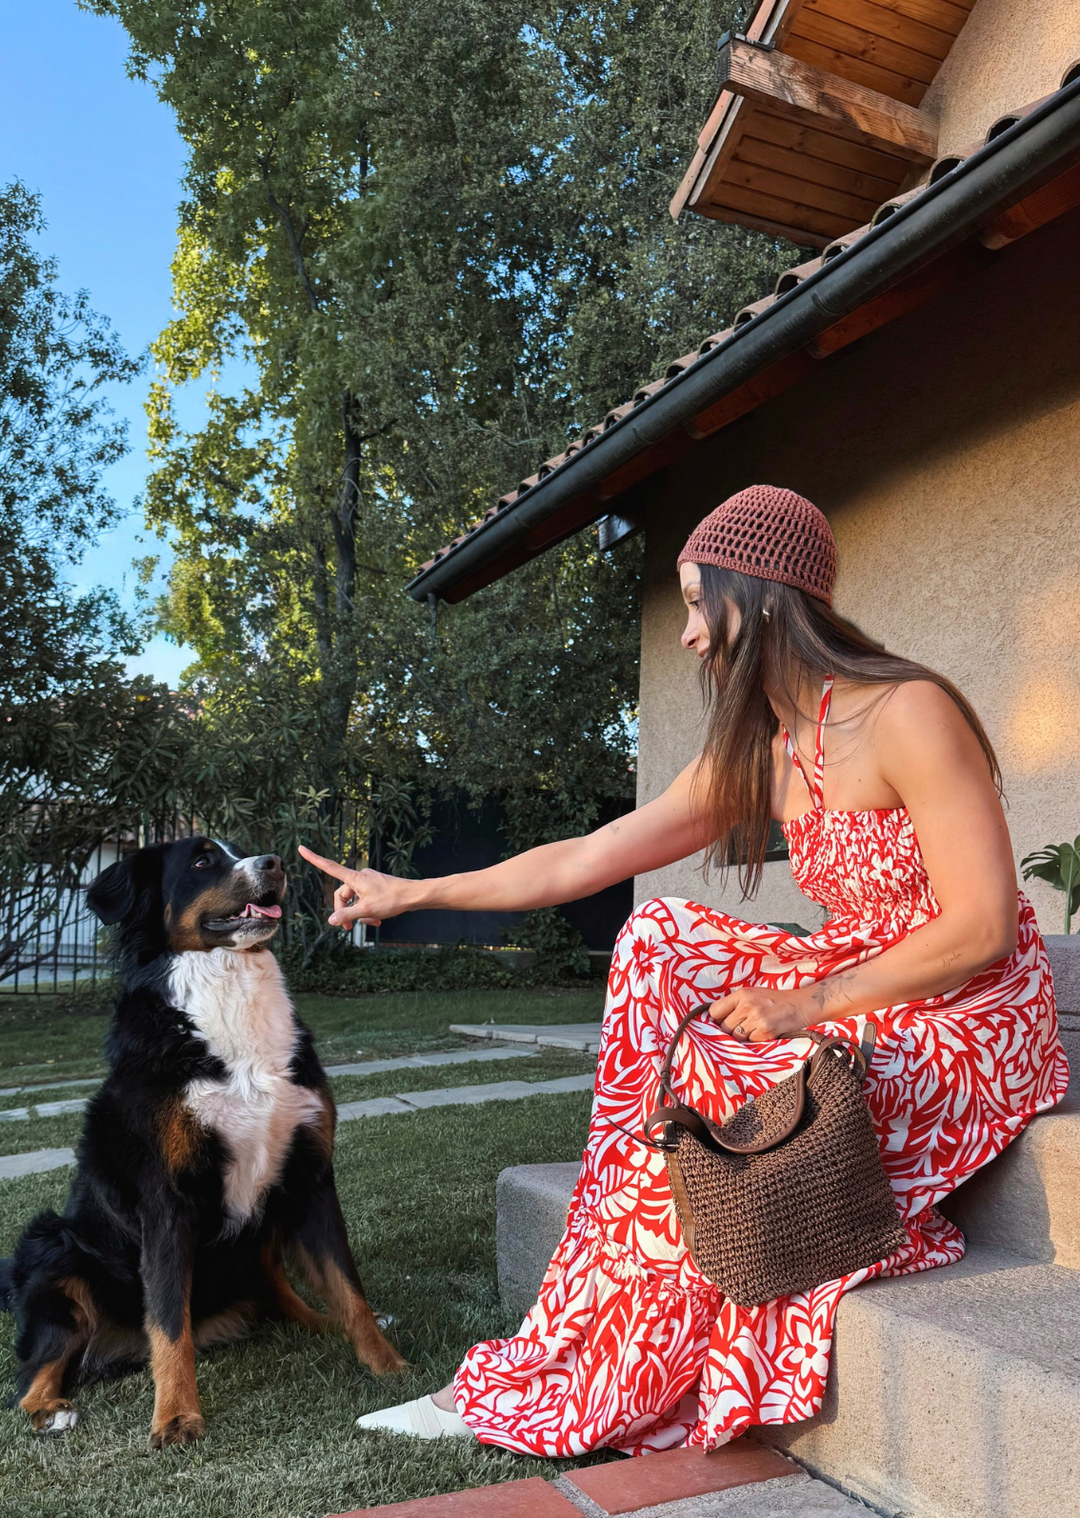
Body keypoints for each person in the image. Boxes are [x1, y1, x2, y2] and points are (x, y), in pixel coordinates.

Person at [300, 484, 1068, 1454]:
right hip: (858, 975)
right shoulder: (769, 753)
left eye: (700, 602)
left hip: (972, 1010)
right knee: (655, 936)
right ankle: (572, 1331)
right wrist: (413, 891)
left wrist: (811, 1002)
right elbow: (588, 858)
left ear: (761, 596)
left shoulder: (907, 712)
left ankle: (621, 1359)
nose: (689, 634)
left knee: (733, 1082)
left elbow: (984, 925)